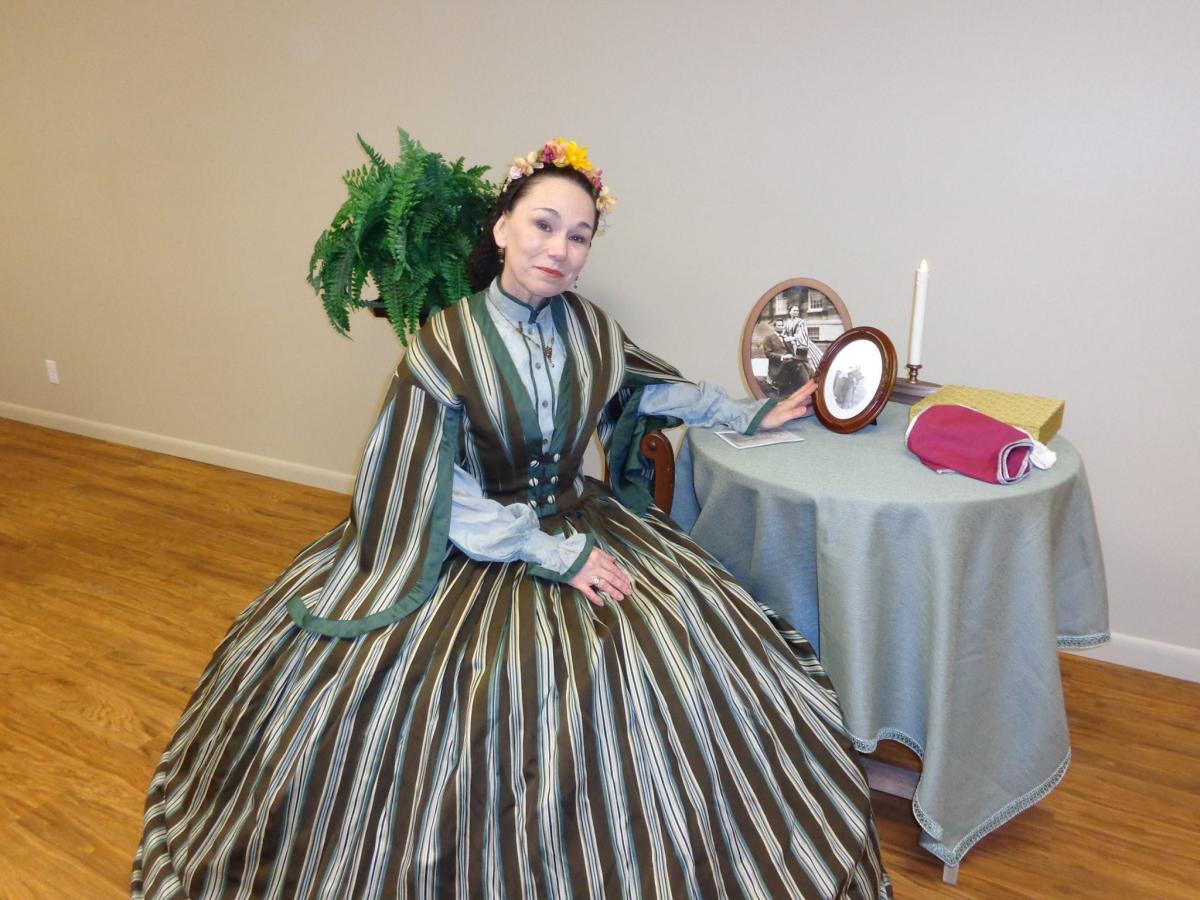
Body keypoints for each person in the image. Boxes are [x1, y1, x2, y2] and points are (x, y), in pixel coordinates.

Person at [132, 139, 890, 899]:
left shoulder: (592, 329)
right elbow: (432, 475)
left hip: (577, 512)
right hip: (475, 540)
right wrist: (548, 553)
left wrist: (751, 414)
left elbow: (655, 391)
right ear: (501, 229)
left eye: (579, 234)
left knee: (666, 655)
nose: (559, 249)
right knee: (458, 699)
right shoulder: (446, 341)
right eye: (543, 225)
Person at [781, 302, 824, 381]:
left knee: (807, 362)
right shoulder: (787, 322)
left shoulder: (801, 322)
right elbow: (783, 333)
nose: (796, 312)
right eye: (794, 310)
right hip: (790, 345)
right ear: (789, 311)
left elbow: (802, 335)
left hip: (801, 344)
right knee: (792, 363)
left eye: (797, 311)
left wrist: (791, 338)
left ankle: (815, 377)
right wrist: (784, 337)